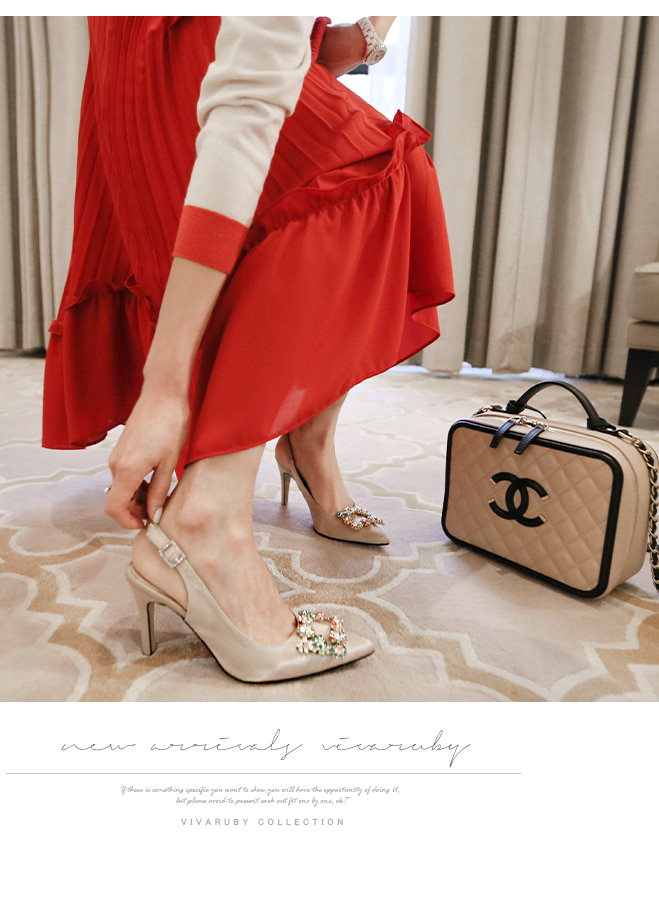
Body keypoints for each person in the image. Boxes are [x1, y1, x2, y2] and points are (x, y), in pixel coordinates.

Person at [42, 16, 453, 683]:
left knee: (329, 192)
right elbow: (246, 109)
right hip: (176, 40)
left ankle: (307, 445)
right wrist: (164, 385)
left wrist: (362, 33)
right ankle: (207, 521)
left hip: (158, 40)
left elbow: (293, 55)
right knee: (369, 173)